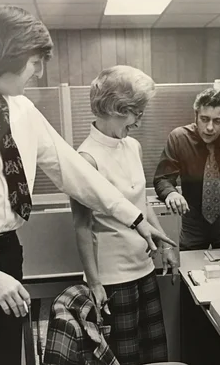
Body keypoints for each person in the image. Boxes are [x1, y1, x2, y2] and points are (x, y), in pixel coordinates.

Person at [0, 6, 174, 365]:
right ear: (5, 54)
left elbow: (73, 171)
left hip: (6, 252)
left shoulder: (22, 109)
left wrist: (136, 218)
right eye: (35, 62)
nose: (40, 73)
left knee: (3, 358)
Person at [69, 65, 178, 365]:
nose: (139, 122)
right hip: (113, 280)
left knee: (155, 357)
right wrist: (94, 283)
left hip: (144, 267)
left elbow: (139, 203)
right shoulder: (85, 158)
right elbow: (81, 226)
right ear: (115, 108)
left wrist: (165, 245)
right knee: (124, 359)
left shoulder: (133, 146)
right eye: (136, 113)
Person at [153, 88, 220, 251]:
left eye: (217, 121)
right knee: (189, 266)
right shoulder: (179, 138)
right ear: (195, 116)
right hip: (192, 219)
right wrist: (171, 193)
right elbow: (162, 178)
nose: (210, 127)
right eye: (204, 119)